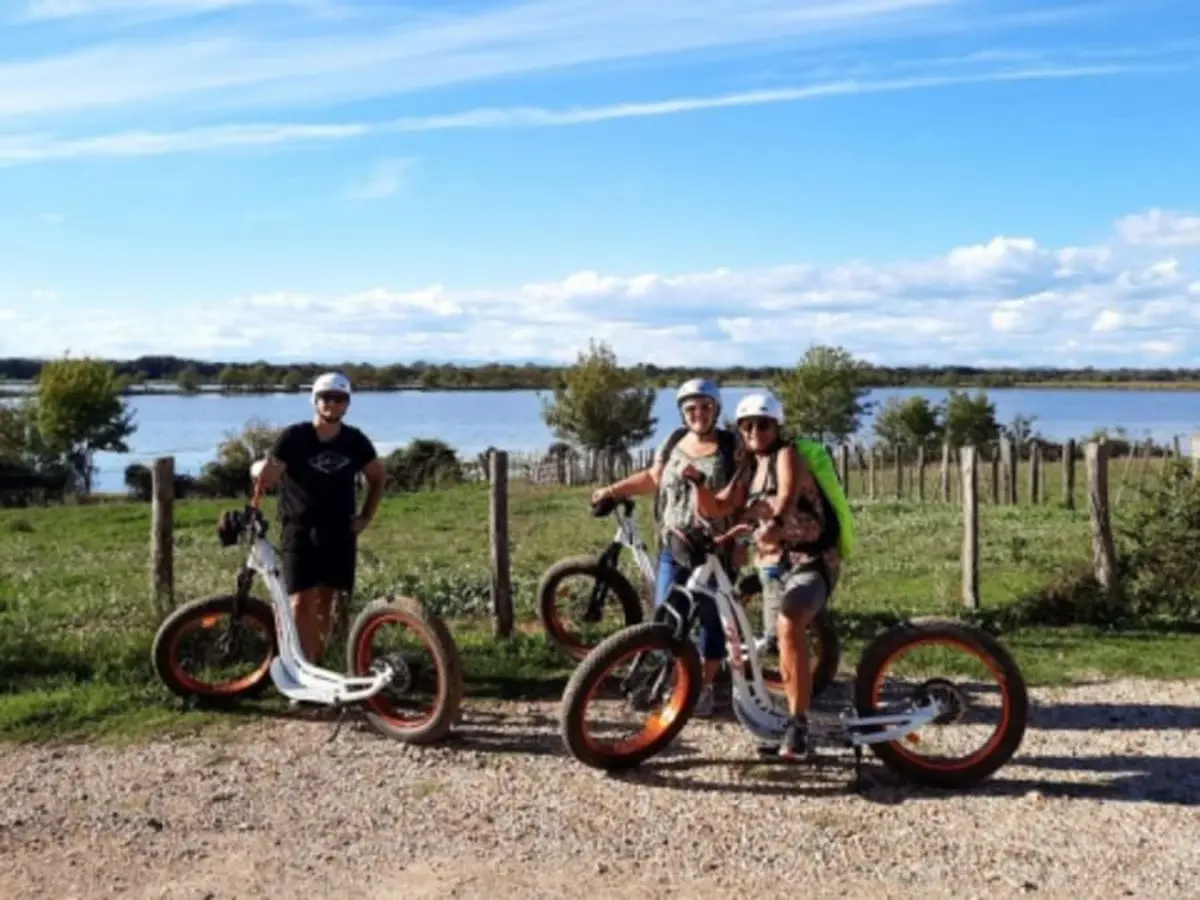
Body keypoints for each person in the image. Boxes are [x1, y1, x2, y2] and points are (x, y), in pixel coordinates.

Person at [684, 391, 840, 759]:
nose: (755, 430)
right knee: (770, 639)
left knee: (788, 625)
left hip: (811, 562)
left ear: (777, 426)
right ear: (739, 429)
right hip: (773, 566)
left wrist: (774, 523)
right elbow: (719, 505)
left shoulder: (788, 456)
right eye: (747, 425)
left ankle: (798, 724)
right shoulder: (748, 468)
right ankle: (777, 713)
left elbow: (785, 496)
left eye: (764, 424)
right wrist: (697, 485)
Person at [590, 378, 741, 717]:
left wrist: (742, 542)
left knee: (710, 620)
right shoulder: (674, 442)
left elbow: (743, 495)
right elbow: (654, 478)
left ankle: (703, 687)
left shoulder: (732, 446)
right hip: (674, 544)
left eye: (705, 407)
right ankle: (672, 679)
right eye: (691, 409)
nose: (698, 414)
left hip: (715, 549)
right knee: (664, 615)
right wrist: (613, 490)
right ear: (682, 413)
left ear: (716, 409)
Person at [252, 372, 387, 663]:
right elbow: (269, 477)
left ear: (347, 404)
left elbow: (378, 477)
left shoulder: (355, 441)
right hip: (299, 529)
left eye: (339, 399)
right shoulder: (294, 437)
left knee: (327, 601)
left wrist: (365, 517)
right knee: (300, 601)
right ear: (315, 400)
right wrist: (259, 472)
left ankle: (317, 666)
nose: (332, 404)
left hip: (339, 530)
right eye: (326, 398)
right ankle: (300, 667)